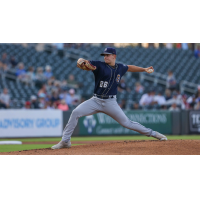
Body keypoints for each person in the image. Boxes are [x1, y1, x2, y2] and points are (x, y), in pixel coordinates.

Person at [52, 47, 167, 149]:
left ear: (114, 56)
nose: (105, 57)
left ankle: (154, 134)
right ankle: (65, 141)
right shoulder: (99, 65)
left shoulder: (120, 68)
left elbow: (129, 67)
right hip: (95, 100)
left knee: (127, 123)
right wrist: (81, 61)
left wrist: (144, 69)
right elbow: (82, 61)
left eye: (107, 55)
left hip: (110, 102)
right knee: (76, 112)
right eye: (104, 55)